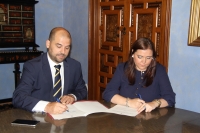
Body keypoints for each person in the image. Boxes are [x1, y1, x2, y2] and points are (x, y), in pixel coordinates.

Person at [12, 27, 87, 114]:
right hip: (40, 119)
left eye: (67, 48)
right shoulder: (33, 66)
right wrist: (46, 106)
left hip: (65, 118)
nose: (63, 52)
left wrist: (72, 96)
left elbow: (82, 90)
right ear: (48, 44)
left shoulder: (74, 66)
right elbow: (18, 97)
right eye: (59, 46)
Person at [103, 37, 175, 113]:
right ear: (133, 53)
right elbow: (108, 93)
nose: (144, 61)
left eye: (148, 58)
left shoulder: (159, 70)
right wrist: (129, 102)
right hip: (124, 116)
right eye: (140, 57)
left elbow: (170, 97)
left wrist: (154, 103)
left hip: (150, 118)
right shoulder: (122, 68)